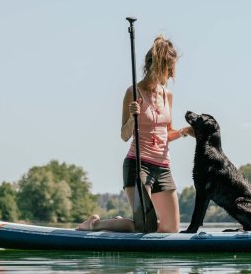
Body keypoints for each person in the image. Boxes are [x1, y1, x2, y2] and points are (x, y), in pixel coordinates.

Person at [77, 34, 193, 233]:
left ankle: (120, 222)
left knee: (170, 230)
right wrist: (133, 117)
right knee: (143, 228)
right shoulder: (133, 92)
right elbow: (124, 135)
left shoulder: (167, 95)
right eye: (170, 67)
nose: (172, 73)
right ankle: (94, 224)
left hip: (163, 168)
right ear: (158, 65)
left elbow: (166, 133)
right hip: (139, 166)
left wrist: (183, 132)